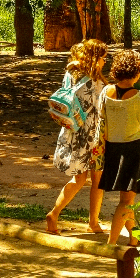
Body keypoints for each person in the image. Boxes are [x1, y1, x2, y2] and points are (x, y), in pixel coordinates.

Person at [98, 49, 140, 246]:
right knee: (126, 201)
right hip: (133, 150)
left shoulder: (106, 92)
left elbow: (102, 121)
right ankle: (111, 244)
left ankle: (135, 239)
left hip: (112, 149)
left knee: (127, 199)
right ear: (136, 72)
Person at [46, 39, 108, 235]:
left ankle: (54, 213)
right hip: (92, 135)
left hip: (71, 131)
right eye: (103, 58)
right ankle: (94, 222)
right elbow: (101, 108)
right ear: (95, 58)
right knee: (97, 180)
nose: (105, 61)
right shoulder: (95, 82)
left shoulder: (70, 74)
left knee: (79, 179)